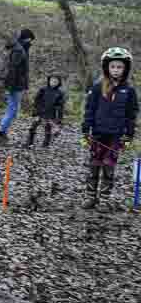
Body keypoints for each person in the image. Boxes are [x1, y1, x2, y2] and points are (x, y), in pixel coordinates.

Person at [80, 48, 139, 212]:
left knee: (109, 167)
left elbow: (131, 115)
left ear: (125, 69)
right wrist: (85, 131)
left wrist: (129, 136)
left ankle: (105, 199)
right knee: (94, 165)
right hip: (97, 134)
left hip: (116, 136)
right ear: (107, 67)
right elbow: (90, 109)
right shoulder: (98, 87)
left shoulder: (129, 91)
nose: (116, 70)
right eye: (113, 66)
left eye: (119, 67)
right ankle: (90, 196)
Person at [0, 28, 36, 145]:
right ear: (26, 38)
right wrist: (10, 87)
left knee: (14, 110)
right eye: (30, 40)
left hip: (17, 85)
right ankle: (1, 134)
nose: (31, 43)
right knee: (12, 110)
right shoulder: (19, 50)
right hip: (15, 85)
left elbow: (21, 70)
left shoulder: (20, 49)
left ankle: (3, 132)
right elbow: (12, 69)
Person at [24, 74, 66, 148]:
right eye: (52, 80)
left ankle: (46, 144)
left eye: (55, 81)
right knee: (33, 127)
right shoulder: (43, 89)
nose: (53, 82)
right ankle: (30, 142)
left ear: (59, 83)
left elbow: (60, 107)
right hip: (40, 112)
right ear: (49, 81)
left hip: (50, 114)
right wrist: (35, 112)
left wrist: (59, 119)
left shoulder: (60, 93)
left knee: (48, 129)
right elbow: (36, 101)